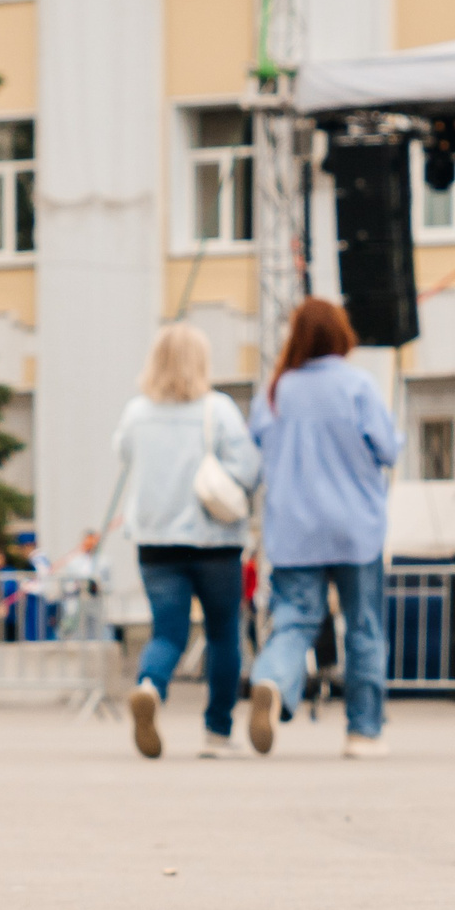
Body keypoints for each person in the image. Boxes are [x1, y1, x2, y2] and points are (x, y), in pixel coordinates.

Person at [245, 298, 403, 760]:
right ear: (340, 334)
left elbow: (256, 448)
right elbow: (388, 450)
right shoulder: (358, 385)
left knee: (293, 622)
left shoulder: (276, 391)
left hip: (295, 529)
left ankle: (271, 683)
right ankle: (364, 732)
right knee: (364, 628)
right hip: (356, 529)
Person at [116, 323, 261, 760]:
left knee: (168, 633)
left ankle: (149, 687)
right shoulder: (218, 410)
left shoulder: (137, 413)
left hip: (156, 542)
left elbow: (123, 454)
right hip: (215, 542)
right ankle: (217, 733)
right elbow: (248, 468)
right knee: (222, 635)